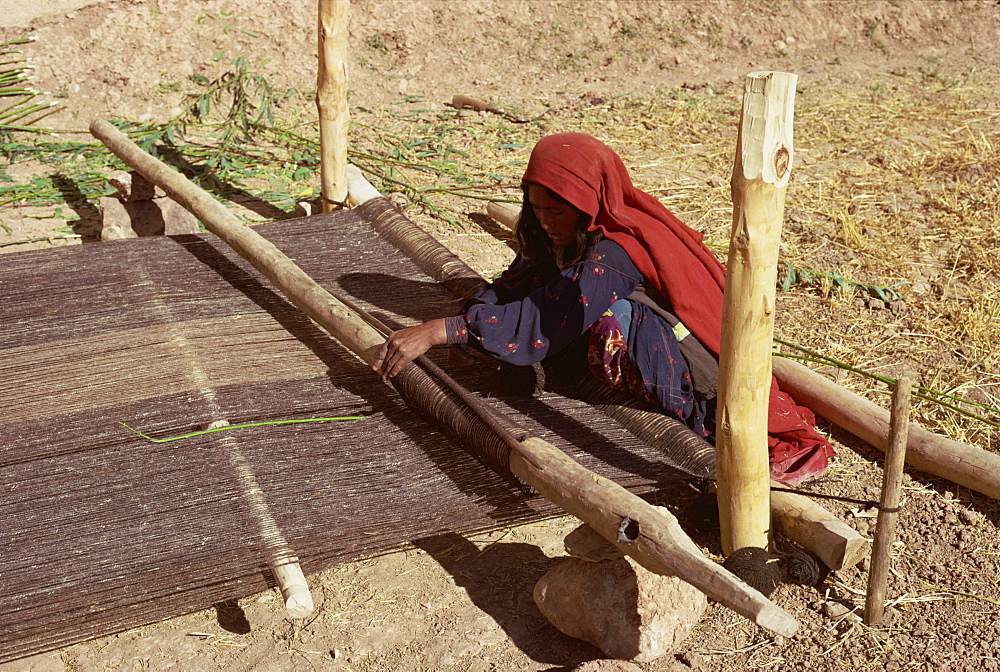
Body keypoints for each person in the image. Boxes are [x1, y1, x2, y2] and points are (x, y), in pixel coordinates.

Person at [374, 132, 834, 486]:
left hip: (694, 370)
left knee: (609, 321)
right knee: (546, 299)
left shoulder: (613, 252)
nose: (545, 222)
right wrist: (477, 318)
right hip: (636, 332)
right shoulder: (557, 229)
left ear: (587, 204)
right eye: (536, 209)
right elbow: (517, 281)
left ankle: (689, 413)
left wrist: (445, 330)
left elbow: (544, 318)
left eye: (557, 212)